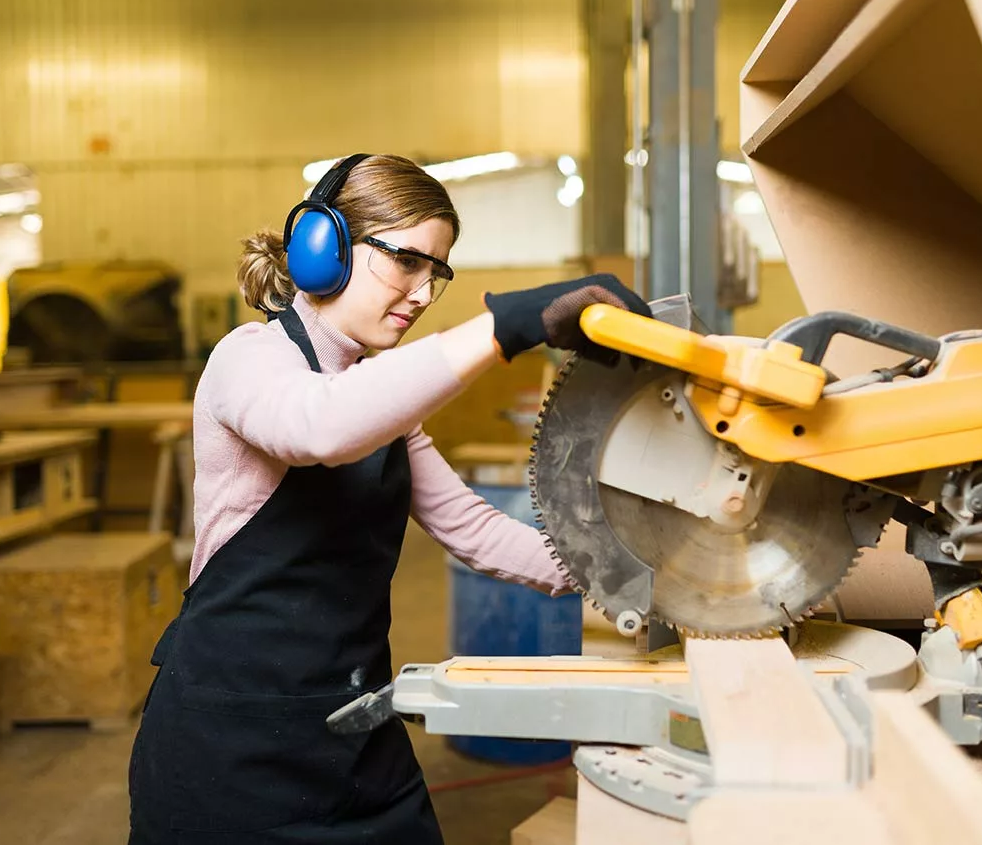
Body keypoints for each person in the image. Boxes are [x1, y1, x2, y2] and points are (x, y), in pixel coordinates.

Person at [127, 153, 650, 844]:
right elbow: (319, 426)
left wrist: (649, 573)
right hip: (231, 741)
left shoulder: (385, 402)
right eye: (406, 261)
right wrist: (508, 324)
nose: (422, 293)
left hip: (354, 729)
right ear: (326, 246)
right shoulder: (249, 359)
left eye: (437, 272)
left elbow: (476, 531)